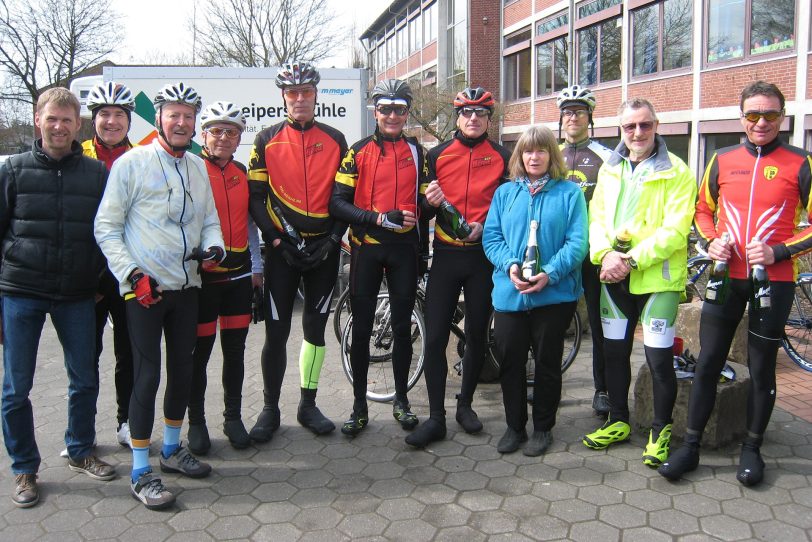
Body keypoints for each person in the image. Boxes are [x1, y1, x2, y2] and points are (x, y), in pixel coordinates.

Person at [659, 81, 812, 486]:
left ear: (783, 117)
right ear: (741, 116)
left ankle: (752, 449)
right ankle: (690, 447)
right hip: (726, 277)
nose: (761, 122)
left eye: (770, 115)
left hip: (773, 281)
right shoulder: (722, 159)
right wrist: (711, 243)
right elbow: (701, 211)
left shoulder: (802, 163)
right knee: (708, 362)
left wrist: (780, 252)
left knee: (762, 369)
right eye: (753, 114)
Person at [95, 82, 225, 510]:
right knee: (147, 376)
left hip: (187, 286)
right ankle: (139, 469)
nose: (182, 122)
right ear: (159, 119)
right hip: (145, 291)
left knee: (183, 373)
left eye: (189, 116)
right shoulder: (132, 164)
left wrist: (216, 247)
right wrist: (131, 274)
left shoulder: (197, 167)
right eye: (174, 114)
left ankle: (171, 450)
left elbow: (209, 221)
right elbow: (106, 228)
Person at [0, 87, 115, 508]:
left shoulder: (96, 174)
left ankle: (81, 449)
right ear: (38, 119)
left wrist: (101, 278)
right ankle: (24, 468)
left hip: (77, 294)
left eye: (68, 120)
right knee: (16, 389)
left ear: (77, 124)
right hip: (21, 292)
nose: (60, 126)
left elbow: (108, 233)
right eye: (53, 118)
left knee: (84, 378)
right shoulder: (12, 171)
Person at [582, 98, 696, 468]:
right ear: (621, 129)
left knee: (659, 359)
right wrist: (605, 255)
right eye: (630, 126)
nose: (637, 133)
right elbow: (595, 219)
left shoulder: (677, 171)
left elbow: (676, 231)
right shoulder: (611, 168)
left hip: (656, 282)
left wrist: (629, 260)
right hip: (614, 278)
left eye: (644, 125)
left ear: (656, 125)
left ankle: (660, 431)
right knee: (614, 355)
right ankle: (618, 421)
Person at [247, 61, 348, 441]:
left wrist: (334, 239)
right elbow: (255, 199)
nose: (300, 98)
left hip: (324, 247)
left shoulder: (336, 139)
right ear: (283, 97)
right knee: (276, 332)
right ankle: (270, 409)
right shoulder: (266, 139)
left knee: (315, 330)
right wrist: (275, 239)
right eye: (293, 92)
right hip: (282, 250)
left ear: (316, 95)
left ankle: (308, 404)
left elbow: (345, 196)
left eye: (307, 91)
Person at [406, 87, 511, 448]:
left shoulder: (502, 156)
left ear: (488, 119)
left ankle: (465, 405)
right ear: (457, 117)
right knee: (435, 338)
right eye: (466, 113)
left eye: (481, 113)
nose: (473, 119)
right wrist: (429, 204)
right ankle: (436, 416)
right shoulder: (435, 155)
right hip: (447, 257)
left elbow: (509, 210)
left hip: (483, 257)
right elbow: (421, 212)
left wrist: (490, 228)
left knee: (477, 335)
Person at [330, 78, 428, 436]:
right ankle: (359, 406)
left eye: (399, 109)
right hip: (366, 248)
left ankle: (402, 401)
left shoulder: (419, 151)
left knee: (403, 329)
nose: (391, 115)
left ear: (406, 113)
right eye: (385, 108)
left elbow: (425, 205)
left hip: (404, 249)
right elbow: (337, 203)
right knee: (362, 328)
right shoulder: (357, 151)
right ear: (375, 111)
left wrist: (428, 204)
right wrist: (376, 218)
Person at [482, 126, 588, 456]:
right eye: (528, 151)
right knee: (511, 363)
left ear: (551, 155)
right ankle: (515, 427)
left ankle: (542, 428)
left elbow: (577, 242)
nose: (534, 156)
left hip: (553, 296)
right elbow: (491, 238)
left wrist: (551, 273)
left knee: (546, 363)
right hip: (510, 295)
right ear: (519, 156)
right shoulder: (504, 194)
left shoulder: (569, 194)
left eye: (541, 150)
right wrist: (510, 264)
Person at [186, 101, 263, 454]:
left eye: (230, 132)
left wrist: (257, 269)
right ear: (203, 134)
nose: (223, 137)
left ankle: (233, 418)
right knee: (198, 354)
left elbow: (250, 227)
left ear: (239, 138)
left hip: (238, 277)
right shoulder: (191, 170)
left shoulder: (241, 173)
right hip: (203, 280)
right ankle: (197, 423)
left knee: (235, 352)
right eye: (216, 130)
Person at [81, 81, 137, 452]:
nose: (112, 121)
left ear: (129, 121)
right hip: (86, 277)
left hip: (128, 272)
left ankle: (126, 422)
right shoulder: (77, 154)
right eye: (105, 114)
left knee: (129, 353)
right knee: (84, 358)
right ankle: (81, 431)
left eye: (119, 115)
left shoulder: (141, 156)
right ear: (93, 119)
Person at [557, 84, 613, 417]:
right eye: (567, 112)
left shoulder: (606, 157)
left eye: (579, 111)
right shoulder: (552, 155)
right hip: (560, 253)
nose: (572, 117)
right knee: (551, 324)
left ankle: (602, 389)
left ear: (589, 117)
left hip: (593, 253)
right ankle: (547, 383)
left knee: (599, 322)